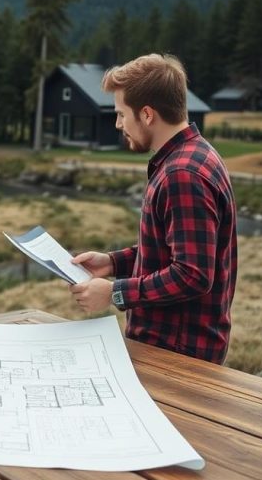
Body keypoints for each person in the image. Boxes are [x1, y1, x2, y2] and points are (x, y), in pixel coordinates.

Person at [69, 54, 237, 364]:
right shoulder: (194, 156)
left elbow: (192, 274)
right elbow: (170, 251)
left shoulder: (182, 175)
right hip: (173, 350)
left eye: (121, 114)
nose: (118, 124)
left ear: (147, 114)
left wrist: (114, 293)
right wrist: (111, 262)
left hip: (176, 356)